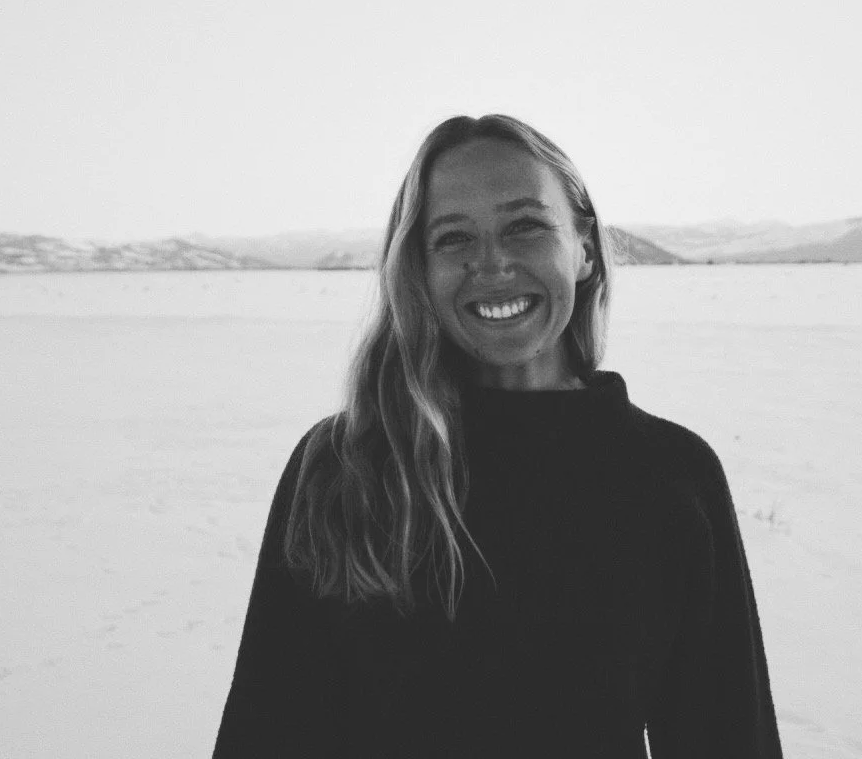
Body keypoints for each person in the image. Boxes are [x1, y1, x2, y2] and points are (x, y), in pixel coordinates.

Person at [212, 113, 784, 758]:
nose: (491, 264)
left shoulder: (670, 475)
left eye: (525, 225)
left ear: (585, 249)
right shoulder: (348, 464)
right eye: (453, 238)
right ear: (420, 270)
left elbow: (729, 738)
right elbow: (266, 730)